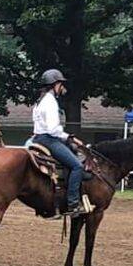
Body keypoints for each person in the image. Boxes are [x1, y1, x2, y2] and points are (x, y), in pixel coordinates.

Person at [32, 69, 87, 216]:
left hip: (37, 138)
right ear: (55, 84)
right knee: (77, 166)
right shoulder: (50, 102)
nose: (62, 87)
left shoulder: (40, 101)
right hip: (48, 139)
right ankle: (73, 203)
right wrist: (69, 137)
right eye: (61, 84)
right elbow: (52, 129)